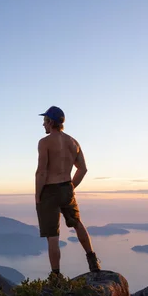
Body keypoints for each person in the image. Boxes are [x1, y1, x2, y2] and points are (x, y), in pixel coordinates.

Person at [35, 106, 101, 278]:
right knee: (77, 223)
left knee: (52, 234)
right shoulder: (74, 142)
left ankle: (56, 276)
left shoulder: (45, 142)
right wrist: (71, 186)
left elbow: (41, 171)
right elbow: (83, 169)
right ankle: (93, 260)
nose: (43, 125)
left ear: (50, 121)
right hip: (66, 188)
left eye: (44, 121)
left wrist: (37, 195)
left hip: (49, 191)